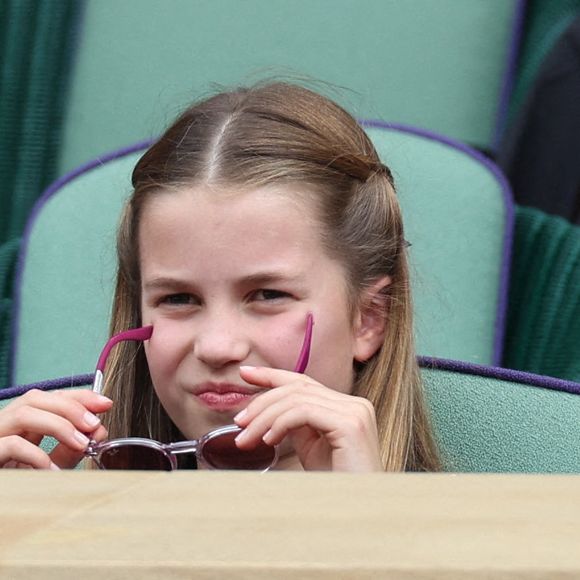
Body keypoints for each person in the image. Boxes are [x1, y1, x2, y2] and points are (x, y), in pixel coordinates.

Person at [0, 82, 440, 472]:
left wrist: (365, 526)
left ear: (368, 318)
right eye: (178, 299)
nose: (216, 347)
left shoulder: (474, 543)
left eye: (268, 294)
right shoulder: (56, 504)